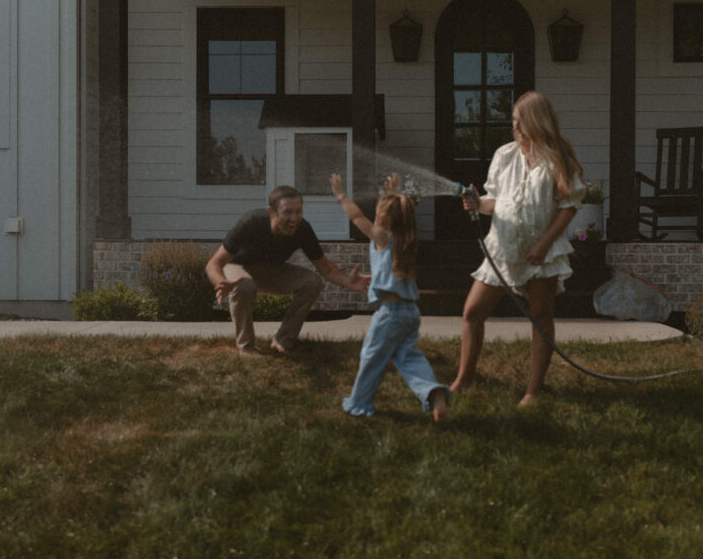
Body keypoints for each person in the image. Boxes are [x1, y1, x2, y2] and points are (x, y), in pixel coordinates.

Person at [449, 91, 586, 406]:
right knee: (472, 312)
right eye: (513, 122)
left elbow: (569, 206)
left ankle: (532, 392)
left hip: (540, 251)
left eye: (521, 123)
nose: (516, 128)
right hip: (501, 248)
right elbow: (492, 203)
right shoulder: (504, 155)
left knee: (540, 315)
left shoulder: (558, 161)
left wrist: (544, 243)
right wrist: (475, 202)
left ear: (538, 123)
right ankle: (464, 379)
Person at [329, 172, 450, 422]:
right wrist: (393, 193)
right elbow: (391, 214)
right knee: (409, 356)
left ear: (383, 218)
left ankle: (359, 404)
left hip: (390, 314)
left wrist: (341, 195)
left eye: (379, 210)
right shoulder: (405, 241)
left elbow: (356, 216)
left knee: (371, 357)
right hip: (410, 313)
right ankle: (433, 392)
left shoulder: (381, 238)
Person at [205, 185, 369, 355]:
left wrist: (348, 281)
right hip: (239, 268)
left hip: (272, 271)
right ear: (271, 212)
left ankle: (283, 340)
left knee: (312, 282)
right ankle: (246, 348)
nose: (294, 218)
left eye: (299, 211)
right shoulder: (252, 222)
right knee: (244, 285)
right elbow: (214, 263)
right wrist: (220, 281)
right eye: (288, 212)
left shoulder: (303, 229)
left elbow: (325, 268)